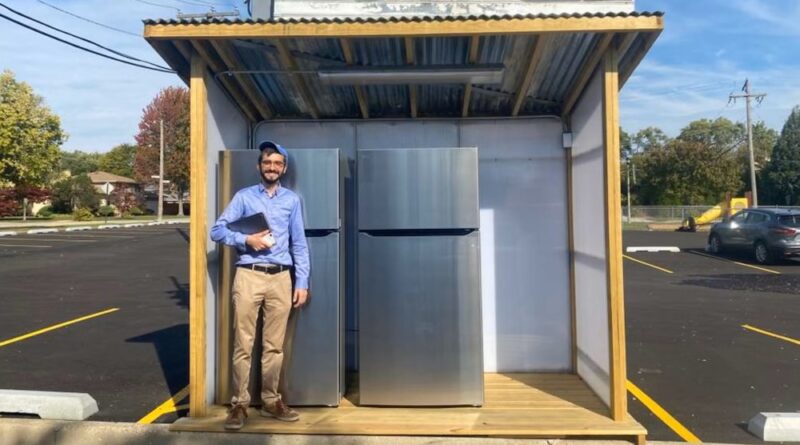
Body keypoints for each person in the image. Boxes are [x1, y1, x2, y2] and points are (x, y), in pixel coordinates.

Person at [210, 141, 310, 430]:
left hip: (282, 277)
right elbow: (218, 230)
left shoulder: (291, 200)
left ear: (284, 168)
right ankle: (239, 404)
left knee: (274, 347)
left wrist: (301, 281)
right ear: (259, 166)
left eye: (277, 163)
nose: (272, 167)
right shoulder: (243, 197)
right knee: (243, 344)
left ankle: (270, 401)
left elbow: (299, 243)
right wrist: (247, 241)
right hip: (249, 275)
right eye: (267, 163)